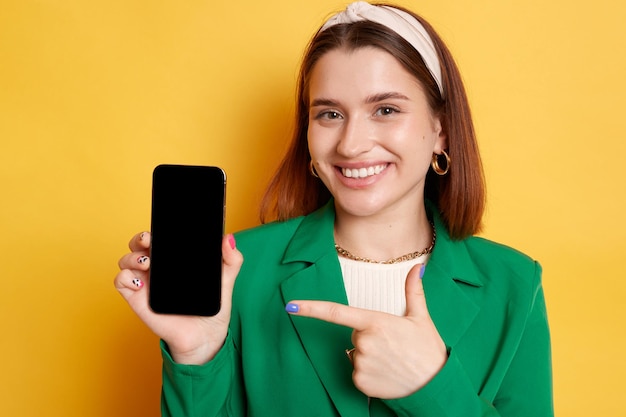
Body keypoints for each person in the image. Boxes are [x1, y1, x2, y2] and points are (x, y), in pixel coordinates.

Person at [115, 2, 553, 416]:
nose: (351, 144)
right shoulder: (237, 271)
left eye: (385, 109)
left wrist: (432, 386)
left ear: (441, 130)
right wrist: (197, 355)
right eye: (329, 114)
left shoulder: (514, 285)